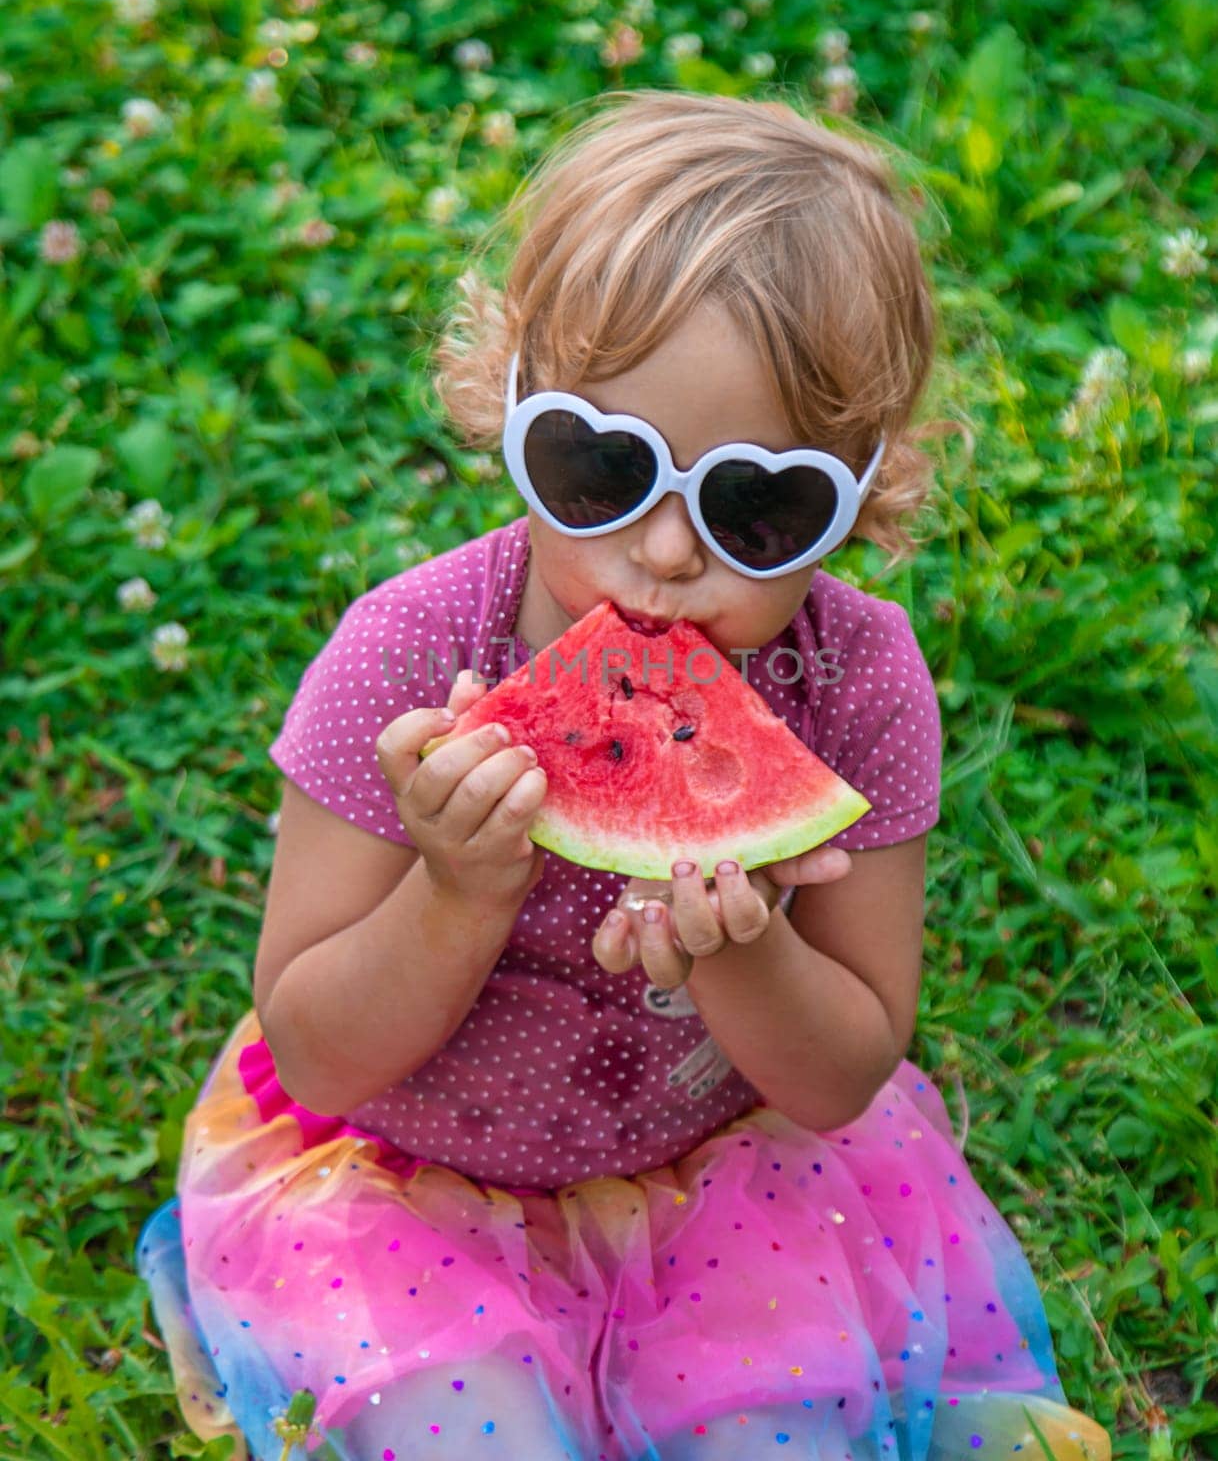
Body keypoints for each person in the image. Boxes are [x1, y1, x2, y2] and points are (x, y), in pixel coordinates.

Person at [135, 89, 1111, 1461]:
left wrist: (747, 950)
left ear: (864, 490)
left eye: (755, 506)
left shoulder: (860, 686)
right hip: (405, 1191)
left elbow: (837, 1077)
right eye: (598, 468)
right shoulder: (406, 654)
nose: (661, 555)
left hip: (729, 1182)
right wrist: (456, 892)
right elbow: (316, 1051)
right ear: (508, 402)